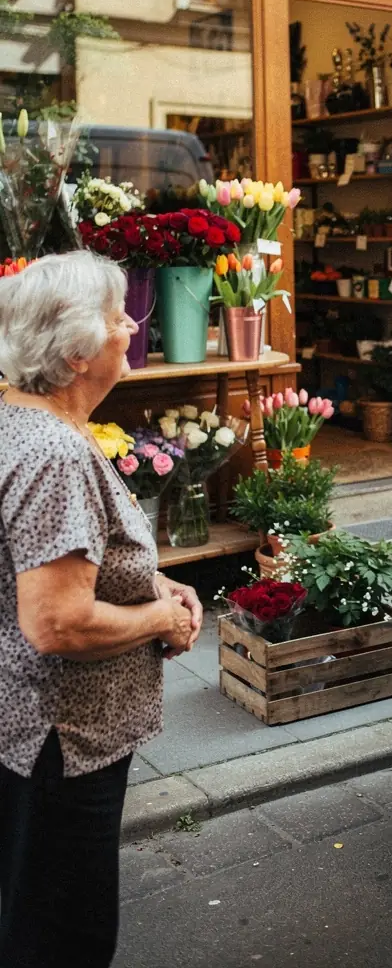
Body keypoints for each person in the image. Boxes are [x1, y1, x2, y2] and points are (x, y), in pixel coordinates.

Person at [0, 251, 203, 968]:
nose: (132, 328)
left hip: (31, 730)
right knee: (64, 939)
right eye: (119, 317)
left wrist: (154, 587)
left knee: (30, 913)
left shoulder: (20, 419)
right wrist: (160, 620)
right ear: (77, 351)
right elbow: (56, 621)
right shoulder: (54, 451)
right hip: (62, 740)